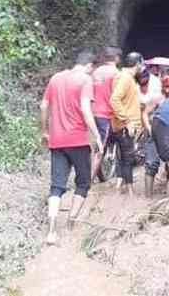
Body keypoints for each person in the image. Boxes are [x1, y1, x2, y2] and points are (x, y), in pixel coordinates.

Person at [40, 50, 102, 245]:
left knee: (56, 186)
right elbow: (86, 109)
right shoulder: (85, 80)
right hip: (78, 140)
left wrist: (44, 131)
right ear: (89, 66)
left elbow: (43, 106)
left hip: (56, 140)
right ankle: (70, 224)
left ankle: (51, 232)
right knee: (83, 183)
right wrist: (98, 136)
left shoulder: (56, 78)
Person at [109, 51, 144, 195]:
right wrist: (127, 120)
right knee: (128, 159)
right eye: (142, 63)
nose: (143, 67)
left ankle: (120, 190)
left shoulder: (122, 76)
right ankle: (130, 193)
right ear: (137, 64)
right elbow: (114, 99)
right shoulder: (125, 78)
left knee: (123, 158)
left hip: (120, 124)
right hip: (125, 126)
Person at [142, 74, 169, 198]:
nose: (167, 89)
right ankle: (148, 197)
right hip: (154, 133)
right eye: (165, 86)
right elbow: (145, 114)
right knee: (151, 163)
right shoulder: (158, 98)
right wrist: (149, 129)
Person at [90, 46, 122, 182]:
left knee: (95, 144)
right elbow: (118, 96)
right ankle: (87, 182)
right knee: (100, 148)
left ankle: (99, 175)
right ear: (116, 58)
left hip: (91, 113)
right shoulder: (116, 74)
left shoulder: (95, 73)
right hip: (106, 114)